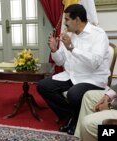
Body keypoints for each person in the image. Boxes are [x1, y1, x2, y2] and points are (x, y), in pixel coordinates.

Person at [36, 4, 110, 135]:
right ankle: (70, 116)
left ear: (77, 20)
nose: (65, 23)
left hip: (92, 78)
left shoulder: (98, 34)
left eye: (67, 19)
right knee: (43, 86)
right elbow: (60, 60)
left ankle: (74, 121)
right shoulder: (69, 34)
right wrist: (54, 49)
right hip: (72, 76)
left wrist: (72, 48)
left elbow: (95, 62)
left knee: (73, 94)